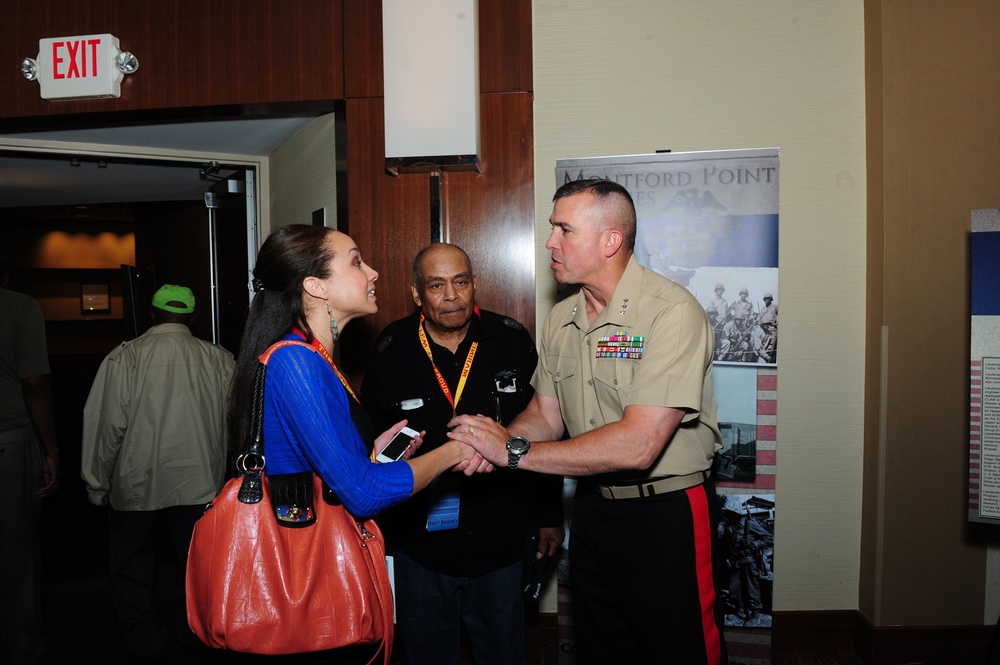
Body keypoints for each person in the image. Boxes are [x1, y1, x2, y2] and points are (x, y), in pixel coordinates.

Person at [449, 179, 727, 665]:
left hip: (667, 513)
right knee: (603, 647)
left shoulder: (671, 313)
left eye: (564, 229)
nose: (550, 242)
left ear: (610, 241)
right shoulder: (561, 318)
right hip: (595, 510)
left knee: (680, 649)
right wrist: (496, 438)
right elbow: (544, 415)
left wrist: (513, 453)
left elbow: (640, 445)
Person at [225, 225, 488, 663]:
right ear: (315, 286)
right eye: (356, 262)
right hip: (305, 582)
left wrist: (374, 452)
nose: (373, 272)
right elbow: (362, 493)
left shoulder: (318, 357)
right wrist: (458, 450)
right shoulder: (295, 360)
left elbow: (331, 468)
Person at [360, 243, 564, 665]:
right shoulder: (392, 348)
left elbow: (543, 429)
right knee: (427, 653)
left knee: (503, 652)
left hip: (500, 537)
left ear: (474, 284)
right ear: (418, 294)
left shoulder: (511, 339)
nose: (451, 295)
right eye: (437, 285)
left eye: (461, 281)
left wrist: (548, 516)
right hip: (420, 543)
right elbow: (371, 444)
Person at [81, 283, 236, 661]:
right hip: (200, 485)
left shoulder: (126, 358)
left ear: (152, 314)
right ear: (192, 317)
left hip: (137, 484)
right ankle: (195, 636)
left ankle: (144, 641)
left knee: (132, 563)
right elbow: (236, 427)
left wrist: (95, 483)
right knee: (195, 568)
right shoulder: (219, 360)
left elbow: (105, 426)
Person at [0, 251, 59, 665]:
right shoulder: (20, 307)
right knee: (15, 552)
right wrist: (50, 448)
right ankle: (21, 648)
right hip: (8, 440)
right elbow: (34, 381)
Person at [752, 293, 777, 363]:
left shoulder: (775, 307)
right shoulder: (763, 309)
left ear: (771, 299)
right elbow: (760, 318)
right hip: (763, 327)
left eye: (768, 298)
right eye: (765, 299)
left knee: (774, 341)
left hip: (772, 327)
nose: (766, 300)